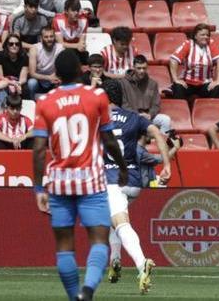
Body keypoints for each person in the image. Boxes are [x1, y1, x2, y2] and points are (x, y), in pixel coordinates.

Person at [31, 48, 128, 301]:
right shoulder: (97, 96)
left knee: (64, 247)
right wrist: (123, 167)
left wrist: (39, 188)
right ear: (79, 70)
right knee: (99, 241)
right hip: (91, 180)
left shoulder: (44, 101)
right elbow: (108, 139)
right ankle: (87, 291)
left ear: (57, 75)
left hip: (59, 182)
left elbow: (39, 149)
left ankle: (74, 296)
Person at [100, 78, 168, 294]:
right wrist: (166, 164)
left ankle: (141, 264)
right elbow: (158, 133)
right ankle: (116, 261)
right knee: (112, 219)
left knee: (120, 223)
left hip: (112, 179)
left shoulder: (98, 120)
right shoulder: (134, 118)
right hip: (134, 182)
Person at [168, 23, 219, 99]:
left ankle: (211, 110)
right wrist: (176, 79)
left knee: (216, 88)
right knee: (178, 87)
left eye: (207, 35)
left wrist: (218, 81)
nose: (206, 37)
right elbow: (174, 59)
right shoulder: (188, 44)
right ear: (195, 36)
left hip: (205, 83)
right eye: (202, 35)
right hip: (188, 82)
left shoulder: (211, 43)